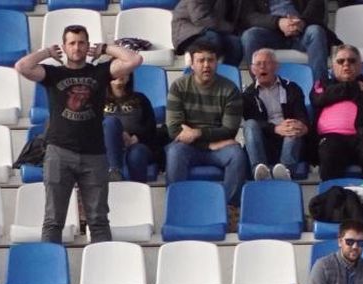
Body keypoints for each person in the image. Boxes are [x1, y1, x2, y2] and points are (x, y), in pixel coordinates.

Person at [15, 24, 142, 243]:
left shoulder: (99, 72)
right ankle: (51, 264)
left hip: (94, 155)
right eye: (72, 43)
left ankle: (103, 264)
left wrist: (105, 48)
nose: (77, 47)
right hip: (59, 153)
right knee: (53, 221)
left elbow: (135, 60)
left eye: (81, 42)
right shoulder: (54, 74)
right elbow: (22, 66)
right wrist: (46, 53)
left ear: (87, 45)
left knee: (99, 220)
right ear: (65, 47)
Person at [164, 44, 248, 220]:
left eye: (210, 60)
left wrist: (197, 134)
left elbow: (229, 130)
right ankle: (177, 208)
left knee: (237, 154)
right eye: (201, 60)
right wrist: (208, 143)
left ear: (217, 62)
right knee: (174, 152)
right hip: (191, 147)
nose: (206, 65)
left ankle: (229, 210)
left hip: (218, 148)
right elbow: (174, 130)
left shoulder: (230, 89)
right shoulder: (178, 87)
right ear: (192, 64)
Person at [311, 45, 363, 182]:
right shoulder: (322, 83)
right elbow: (319, 98)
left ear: (361, 66)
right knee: (329, 153)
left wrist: (339, 92)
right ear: (333, 67)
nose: (346, 64)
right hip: (332, 137)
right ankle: (332, 193)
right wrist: (355, 88)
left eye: (352, 61)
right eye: (340, 61)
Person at [241, 49, 308, 181]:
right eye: (258, 64)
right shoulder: (248, 95)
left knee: (293, 127)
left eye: (267, 63)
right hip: (264, 141)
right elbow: (254, 121)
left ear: (276, 66)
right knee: (249, 124)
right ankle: (259, 170)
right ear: (253, 70)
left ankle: (285, 172)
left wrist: (302, 125)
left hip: (289, 139)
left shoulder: (292, 88)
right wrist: (275, 128)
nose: (262, 67)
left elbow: (301, 114)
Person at [239, 0, 329, 87]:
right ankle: (260, 88)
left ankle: (319, 89)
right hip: (270, 32)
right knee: (249, 36)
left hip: (301, 30)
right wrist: (278, 22)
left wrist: (302, 22)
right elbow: (249, 16)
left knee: (316, 32)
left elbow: (316, 4)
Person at [103, 64, 162, 183]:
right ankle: (115, 171)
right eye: (116, 71)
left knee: (137, 153)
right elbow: (91, 129)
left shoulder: (141, 99)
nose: (120, 75)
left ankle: (137, 190)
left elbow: (152, 130)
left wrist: (136, 138)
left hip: (136, 145)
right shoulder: (98, 100)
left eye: (123, 71)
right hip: (107, 147)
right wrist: (119, 135)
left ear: (129, 75)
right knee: (110, 122)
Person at [170, 0, 250, 66]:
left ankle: (226, 76)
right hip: (188, 32)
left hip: (212, 30)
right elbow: (200, 19)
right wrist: (230, 28)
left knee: (235, 43)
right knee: (212, 39)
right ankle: (193, 72)